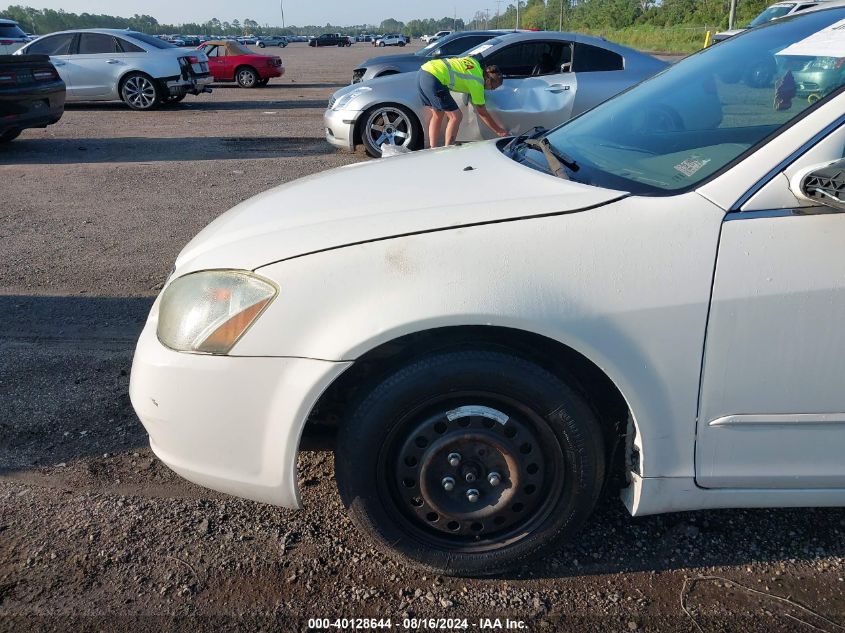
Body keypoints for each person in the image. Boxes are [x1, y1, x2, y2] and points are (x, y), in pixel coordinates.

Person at [417, 56, 509, 148]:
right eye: (492, 87)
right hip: (434, 78)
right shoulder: (478, 83)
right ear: (488, 80)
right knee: (456, 116)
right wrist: (499, 131)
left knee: (438, 114)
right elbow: (482, 112)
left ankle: (432, 148)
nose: (490, 90)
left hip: (423, 71)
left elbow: (462, 70)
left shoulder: (474, 62)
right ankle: (448, 149)